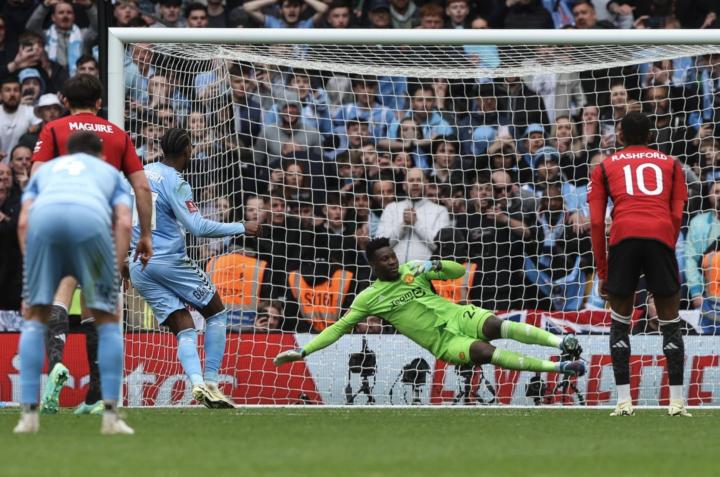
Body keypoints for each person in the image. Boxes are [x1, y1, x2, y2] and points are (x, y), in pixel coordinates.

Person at [274, 237, 586, 377]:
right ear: (373, 265)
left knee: (495, 325)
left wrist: (434, 264)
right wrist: (304, 351)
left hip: (458, 315)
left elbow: (457, 271)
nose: (392, 261)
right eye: (384, 259)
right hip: (443, 342)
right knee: (483, 351)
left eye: (392, 256)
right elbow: (339, 328)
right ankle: (558, 367)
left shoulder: (413, 269)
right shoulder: (368, 298)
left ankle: (561, 342)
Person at [30, 73, 153, 415]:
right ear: (99, 102)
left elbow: (36, 177)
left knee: (60, 291)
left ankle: (57, 362)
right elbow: (142, 187)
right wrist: (145, 235)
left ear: (65, 102)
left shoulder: (53, 130)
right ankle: (96, 396)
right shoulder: (118, 134)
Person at [128, 128, 260, 408]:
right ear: (187, 149)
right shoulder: (175, 181)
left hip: (138, 264)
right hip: (168, 261)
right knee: (217, 313)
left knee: (185, 328)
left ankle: (198, 384)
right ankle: (211, 381)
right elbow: (197, 227)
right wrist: (241, 226)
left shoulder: (141, 173)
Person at [14, 131, 134, 435]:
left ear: (67, 153)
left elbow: (24, 220)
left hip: (45, 225)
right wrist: (115, 267)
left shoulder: (47, 170)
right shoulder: (109, 173)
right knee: (108, 322)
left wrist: (32, 268)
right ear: (100, 155)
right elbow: (124, 222)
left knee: (35, 319)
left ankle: (28, 416)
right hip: (89, 224)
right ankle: (110, 416)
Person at [588, 112, 690, 417]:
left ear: (620, 136)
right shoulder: (672, 164)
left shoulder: (604, 166)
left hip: (624, 238)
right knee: (670, 321)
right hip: (660, 235)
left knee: (620, 321)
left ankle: (624, 402)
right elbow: (677, 214)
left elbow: (596, 223)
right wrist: (665, 243)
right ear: (650, 135)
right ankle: (676, 403)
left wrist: (603, 271)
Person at [376, 167, 450, 262]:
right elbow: (380, 245)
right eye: (411, 180)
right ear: (404, 186)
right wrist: (403, 226)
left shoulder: (440, 211)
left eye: (419, 180)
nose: (415, 183)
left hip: (426, 270)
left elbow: (440, 247)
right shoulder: (391, 208)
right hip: (394, 269)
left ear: (426, 185)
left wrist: (416, 223)